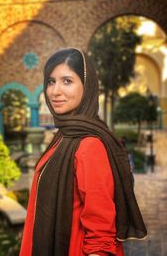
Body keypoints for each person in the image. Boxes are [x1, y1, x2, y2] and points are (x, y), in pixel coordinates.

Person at [19, 48, 147, 256]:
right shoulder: (65, 135)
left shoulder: (88, 145)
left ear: (86, 87)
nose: (55, 91)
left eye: (67, 81)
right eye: (51, 81)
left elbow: (100, 231)